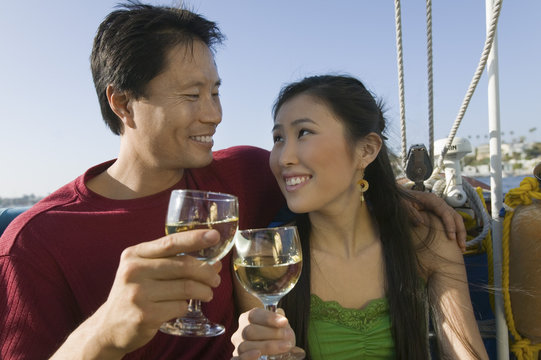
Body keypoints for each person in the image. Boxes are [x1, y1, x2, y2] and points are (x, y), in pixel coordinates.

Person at [0, 3, 465, 360]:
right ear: (123, 104)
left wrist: (404, 195)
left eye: (216, 91)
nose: (214, 114)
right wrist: (104, 332)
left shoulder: (242, 172)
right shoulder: (36, 242)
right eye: (191, 95)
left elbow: (331, 176)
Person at [232, 75, 488, 360]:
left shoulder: (426, 240)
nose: (283, 158)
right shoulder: (267, 259)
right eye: (278, 138)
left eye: (304, 133)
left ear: (366, 150)